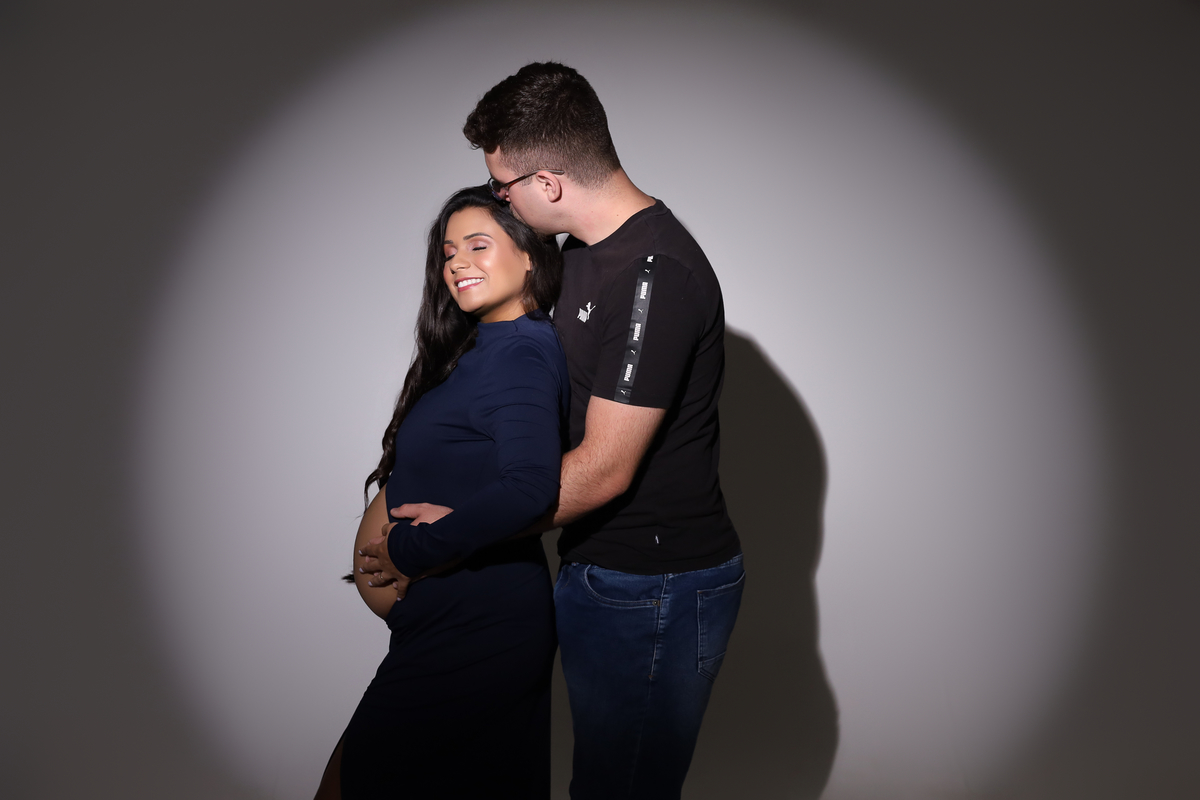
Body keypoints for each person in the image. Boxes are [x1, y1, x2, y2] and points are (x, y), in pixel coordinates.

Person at [372, 63, 745, 799]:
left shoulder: (656, 274)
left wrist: (442, 539)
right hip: (594, 568)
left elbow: (604, 469)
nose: (500, 200)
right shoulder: (579, 257)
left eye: (502, 186)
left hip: (654, 586)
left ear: (546, 182)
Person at [315, 185, 569, 800]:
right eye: (449, 252)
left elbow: (531, 487)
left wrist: (411, 550)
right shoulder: (484, 348)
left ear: (529, 255)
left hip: (478, 630)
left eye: (478, 245)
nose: (457, 263)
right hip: (450, 626)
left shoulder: (519, 353)